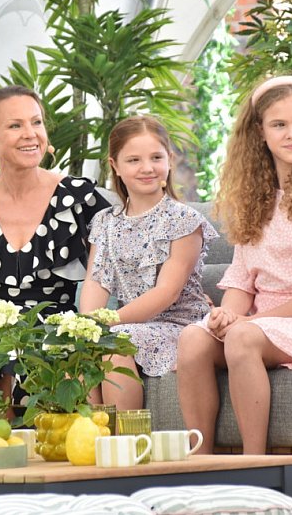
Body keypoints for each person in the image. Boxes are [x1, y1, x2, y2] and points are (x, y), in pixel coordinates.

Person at [175, 75, 292, 455]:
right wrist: (226, 316)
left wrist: (249, 323)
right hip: (262, 325)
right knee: (193, 338)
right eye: (279, 124)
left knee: (242, 337)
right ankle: (200, 462)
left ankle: (255, 464)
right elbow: (242, 280)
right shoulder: (254, 197)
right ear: (260, 131)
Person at [0, 85, 110, 401]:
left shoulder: (78, 199)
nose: (30, 134)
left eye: (36, 122)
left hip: (57, 322)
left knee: (58, 336)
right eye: (15, 125)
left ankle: (39, 423)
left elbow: (105, 274)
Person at [79, 116, 217, 411]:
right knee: (77, 346)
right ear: (115, 165)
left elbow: (167, 292)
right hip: (128, 323)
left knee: (115, 342)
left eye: (156, 157)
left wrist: (106, 322)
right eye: (134, 160)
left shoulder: (184, 220)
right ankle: (92, 433)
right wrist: (87, 324)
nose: (147, 168)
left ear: (170, 160)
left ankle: (124, 436)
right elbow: (96, 280)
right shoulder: (105, 221)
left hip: (181, 328)